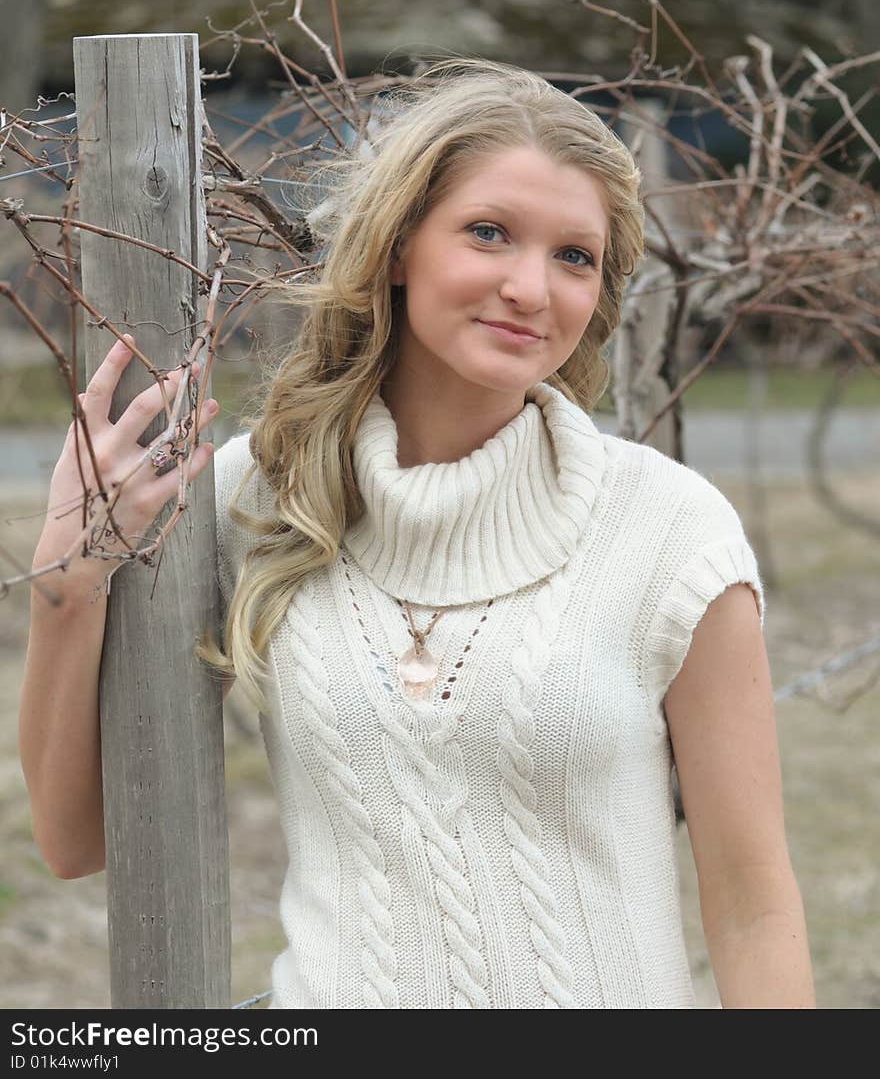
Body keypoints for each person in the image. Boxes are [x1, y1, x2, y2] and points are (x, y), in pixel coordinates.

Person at [20, 57, 814, 1009]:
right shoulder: (250, 502)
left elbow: (752, 905)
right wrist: (71, 574)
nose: (531, 286)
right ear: (398, 245)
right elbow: (75, 840)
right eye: (489, 233)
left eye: (575, 256)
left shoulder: (670, 532)